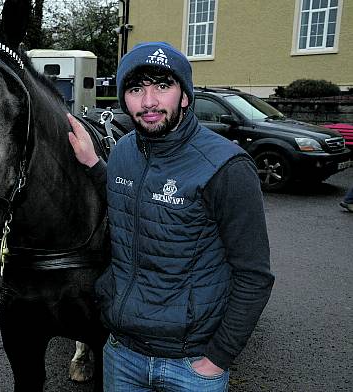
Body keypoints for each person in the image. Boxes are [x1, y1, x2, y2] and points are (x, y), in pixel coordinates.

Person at [67, 42, 275, 391]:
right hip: (122, 353)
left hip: (191, 364)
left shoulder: (226, 167)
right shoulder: (122, 154)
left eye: (162, 86)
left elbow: (254, 276)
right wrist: (93, 164)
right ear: (123, 99)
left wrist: (218, 358)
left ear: (185, 96)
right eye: (136, 89)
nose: (149, 102)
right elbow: (130, 198)